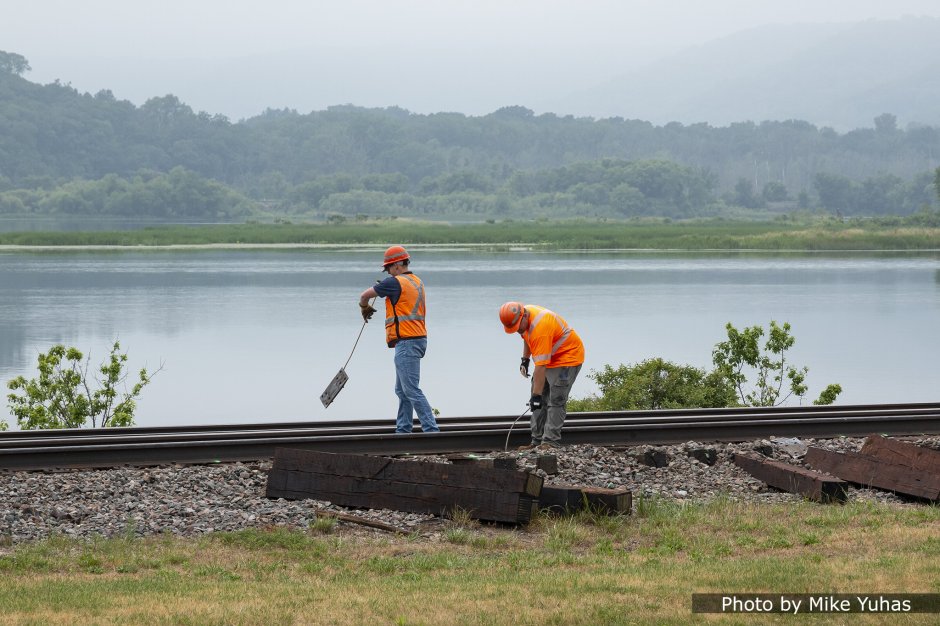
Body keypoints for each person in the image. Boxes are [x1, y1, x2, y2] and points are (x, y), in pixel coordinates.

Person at [359, 245, 440, 434]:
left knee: (411, 390)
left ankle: (432, 432)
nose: (388, 272)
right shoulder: (416, 281)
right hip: (417, 339)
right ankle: (403, 431)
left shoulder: (395, 283)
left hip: (407, 342)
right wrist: (386, 286)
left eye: (388, 268)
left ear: (396, 265)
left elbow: (364, 295)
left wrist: (364, 307)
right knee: (402, 391)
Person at [499, 302, 584, 450]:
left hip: (567, 359)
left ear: (524, 315)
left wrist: (536, 395)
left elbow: (540, 366)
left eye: (518, 326)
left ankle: (550, 443)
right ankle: (536, 442)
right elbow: (526, 337)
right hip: (549, 358)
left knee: (555, 399)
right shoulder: (524, 319)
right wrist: (524, 360)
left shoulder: (541, 328)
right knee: (537, 402)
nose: (518, 330)